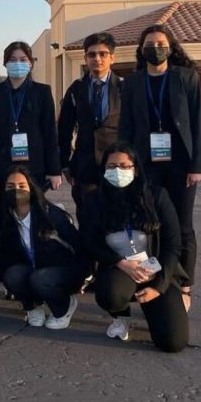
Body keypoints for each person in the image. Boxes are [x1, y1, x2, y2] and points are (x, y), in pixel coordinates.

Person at [118, 24, 201, 312]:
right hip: (146, 164)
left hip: (180, 164)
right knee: (150, 224)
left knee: (182, 225)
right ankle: (154, 279)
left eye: (161, 43)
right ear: (142, 50)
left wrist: (198, 165)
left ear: (170, 47)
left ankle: (185, 284)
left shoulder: (186, 78)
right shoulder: (132, 82)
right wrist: (126, 163)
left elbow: (197, 124)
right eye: (149, 44)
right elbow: (126, 126)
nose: (155, 48)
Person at [82, 142, 188, 352]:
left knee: (173, 343)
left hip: (157, 269)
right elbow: (89, 241)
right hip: (120, 269)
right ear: (104, 170)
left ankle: (153, 304)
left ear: (136, 169)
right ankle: (121, 316)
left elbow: (173, 245)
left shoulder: (157, 196)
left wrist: (158, 288)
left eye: (124, 165)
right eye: (111, 167)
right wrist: (120, 263)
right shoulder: (95, 200)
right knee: (109, 294)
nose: (118, 171)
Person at [0, 166, 87, 330]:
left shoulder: (50, 214)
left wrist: (85, 276)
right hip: (34, 270)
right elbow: (5, 256)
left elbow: (78, 244)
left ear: (31, 189)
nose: (16, 190)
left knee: (40, 279)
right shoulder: (7, 218)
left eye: (22, 186)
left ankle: (64, 306)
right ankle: (33, 306)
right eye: (10, 187)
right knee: (11, 275)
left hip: (61, 271)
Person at [0, 41, 61, 202]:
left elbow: (50, 133)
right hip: (2, 164)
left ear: (30, 64)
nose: (18, 63)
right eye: (12, 59)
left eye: (23, 59)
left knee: (34, 209)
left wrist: (54, 170)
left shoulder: (42, 92)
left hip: (35, 164)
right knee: (6, 211)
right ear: (5, 63)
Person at [58, 32, 122, 223]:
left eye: (102, 54)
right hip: (84, 167)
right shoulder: (76, 89)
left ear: (112, 57)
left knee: (116, 218)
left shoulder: (125, 88)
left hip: (117, 166)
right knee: (87, 220)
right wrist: (64, 163)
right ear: (85, 58)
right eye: (92, 54)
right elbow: (64, 129)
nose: (97, 59)